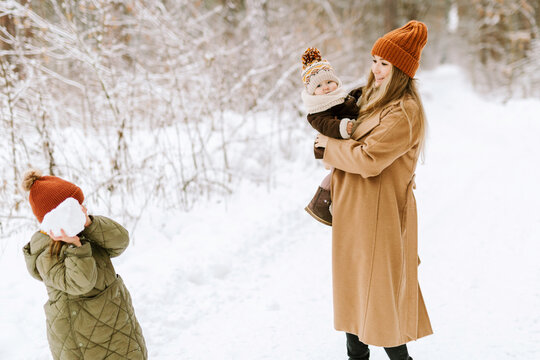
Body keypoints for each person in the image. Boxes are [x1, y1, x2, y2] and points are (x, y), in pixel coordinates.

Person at [314, 20, 433, 360]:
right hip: (351, 210)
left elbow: (367, 160)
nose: (376, 69)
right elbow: (334, 142)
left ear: (401, 70)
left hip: (378, 216)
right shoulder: (366, 98)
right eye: (375, 60)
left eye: (385, 64)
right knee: (353, 295)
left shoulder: (405, 112)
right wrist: (325, 142)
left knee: (380, 302)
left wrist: (329, 146)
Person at [21, 169, 148, 360]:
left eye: (80, 205)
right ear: (55, 217)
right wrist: (75, 247)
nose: (82, 210)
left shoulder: (84, 230)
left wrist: (90, 224)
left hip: (115, 326)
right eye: (73, 208)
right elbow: (80, 282)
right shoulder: (46, 253)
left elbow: (120, 241)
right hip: (87, 341)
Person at [301, 47, 361, 226]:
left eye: (329, 82)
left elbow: (350, 104)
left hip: (343, 146)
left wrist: (361, 93)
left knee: (346, 175)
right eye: (318, 86)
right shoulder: (316, 111)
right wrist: (342, 127)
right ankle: (325, 203)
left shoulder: (339, 98)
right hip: (333, 144)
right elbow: (326, 125)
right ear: (312, 91)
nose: (325, 87)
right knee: (338, 176)